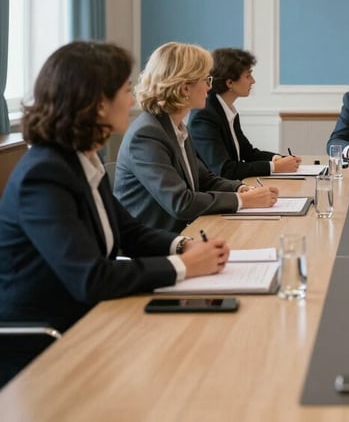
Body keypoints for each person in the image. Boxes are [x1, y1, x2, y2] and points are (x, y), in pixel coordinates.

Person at [0, 42, 229, 385]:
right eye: (124, 90)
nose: (133, 100)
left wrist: (183, 246)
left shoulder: (82, 159)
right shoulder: (43, 175)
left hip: (92, 321)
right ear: (96, 102)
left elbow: (131, 232)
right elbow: (92, 278)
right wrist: (184, 266)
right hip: (47, 347)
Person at [114, 42, 279, 233]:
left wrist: (241, 189)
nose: (209, 88)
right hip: (158, 244)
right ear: (185, 88)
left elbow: (204, 179)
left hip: (187, 232)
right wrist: (243, 201)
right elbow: (181, 202)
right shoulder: (146, 135)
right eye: (206, 80)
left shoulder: (175, 126)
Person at [189, 48, 302, 180]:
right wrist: (275, 167)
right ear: (229, 82)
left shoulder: (226, 108)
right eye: (248, 76)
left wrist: (278, 159)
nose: (253, 81)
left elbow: (247, 152)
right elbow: (224, 170)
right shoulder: (204, 117)